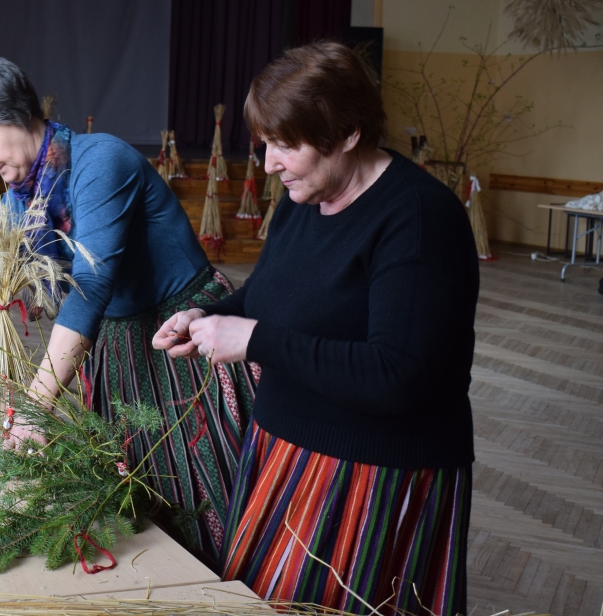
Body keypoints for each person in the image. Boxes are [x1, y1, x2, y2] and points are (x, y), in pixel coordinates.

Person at [153, 42, 478, 614]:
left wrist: (252, 339)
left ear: (348, 132)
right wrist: (212, 317)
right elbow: (276, 295)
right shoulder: (308, 195)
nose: (270, 163)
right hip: (284, 445)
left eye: (286, 145)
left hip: (372, 473)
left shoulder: (419, 218)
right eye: (267, 143)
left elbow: (396, 375)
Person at [0, 54, 258, 567]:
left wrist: (35, 406)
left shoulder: (101, 161)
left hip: (184, 340)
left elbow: (92, 285)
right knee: (140, 503)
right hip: (115, 348)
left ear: (16, 114)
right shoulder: (21, 200)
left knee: (206, 486)